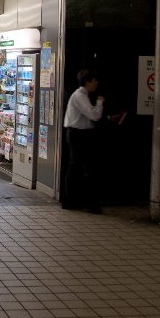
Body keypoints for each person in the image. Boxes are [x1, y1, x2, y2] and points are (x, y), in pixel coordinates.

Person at [62, 69, 105, 213]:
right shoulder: (80, 96)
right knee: (79, 167)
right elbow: (94, 115)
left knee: (78, 167)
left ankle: (75, 201)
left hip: (79, 134)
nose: (96, 83)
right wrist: (99, 103)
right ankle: (77, 202)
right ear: (87, 82)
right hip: (78, 135)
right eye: (94, 80)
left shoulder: (82, 96)